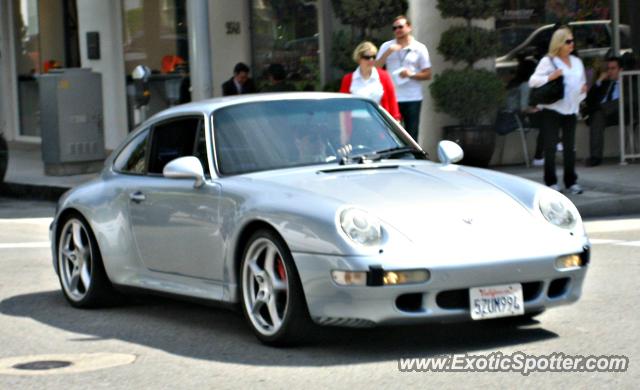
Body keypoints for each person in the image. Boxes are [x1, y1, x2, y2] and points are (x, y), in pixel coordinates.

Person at [529, 26, 587, 194]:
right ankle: (551, 182)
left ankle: (571, 182)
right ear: (559, 43)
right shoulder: (549, 61)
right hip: (552, 109)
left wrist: (583, 92)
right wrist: (550, 77)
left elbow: (581, 83)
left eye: (572, 41)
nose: (572, 44)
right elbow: (533, 81)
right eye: (568, 41)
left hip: (571, 109)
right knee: (550, 147)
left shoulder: (577, 62)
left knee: (570, 148)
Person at [375, 15, 432, 141]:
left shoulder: (419, 48)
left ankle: (413, 159)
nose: (397, 30)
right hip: (391, 97)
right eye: (394, 28)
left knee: (412, 134)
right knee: (391, 133)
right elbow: (376, 68)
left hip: (412, 97)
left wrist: (410, 74)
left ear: (409, 27)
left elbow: (428, 74)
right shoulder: (387, 46)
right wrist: (388, 52)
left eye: (400, 26)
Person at [339, 41, 401, 121]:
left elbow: (392, 104)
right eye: (367, 57)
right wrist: (344, 132)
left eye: (373, 56)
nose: (371, 60)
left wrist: (396, 121)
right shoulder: (348, 79)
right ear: (359, 58)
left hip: (379, 123)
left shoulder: (384, 76)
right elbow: (343, 107)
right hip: (355, 124)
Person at [583, 57, 623, 167]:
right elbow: (589, 99)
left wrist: (602, 107)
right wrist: (599, 81)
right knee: (598, 116)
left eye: (613, 68)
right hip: (604, 114)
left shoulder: (629, 80)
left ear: (621, 70)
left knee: (602, 109)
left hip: (622, 112)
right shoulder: (605, 83)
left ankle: (600, 108)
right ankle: (595, 157)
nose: (610, 71)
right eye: (608, 69)